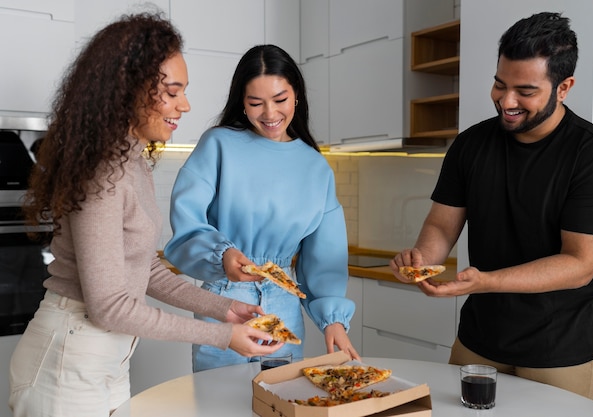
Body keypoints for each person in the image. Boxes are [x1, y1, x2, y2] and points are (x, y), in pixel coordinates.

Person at [9, 12, 282, 417]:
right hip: (67, 362)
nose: (185, 105)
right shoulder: (102, 172)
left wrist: (223, 308)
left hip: (105, 359)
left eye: (183, 92)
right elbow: (110, 306)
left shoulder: (132, 161)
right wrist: (224, 335)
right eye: (171, 92)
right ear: (127, 91)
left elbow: (143, 270)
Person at [391, 11, 593, 399]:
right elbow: (441, 226)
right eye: (500, 84)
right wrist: (422, 263)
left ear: (563, 87)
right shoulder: (470, 146)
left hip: (559, 347)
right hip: (479, 338)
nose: (507, 101)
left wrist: (485, 282)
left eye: (526, 91)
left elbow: (579, 266)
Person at [164, 44, 360, 371]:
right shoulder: (218, 145)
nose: (270, 114)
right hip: (225, 305)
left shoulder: (315, 167)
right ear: (241, 102)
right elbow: (187, 226)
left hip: (285, 311)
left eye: (280, 100)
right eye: (256, 103)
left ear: (296, 95)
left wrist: (333, 321)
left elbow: (325, 257)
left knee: (279, 404)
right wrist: (223, 255)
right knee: (220, 404)